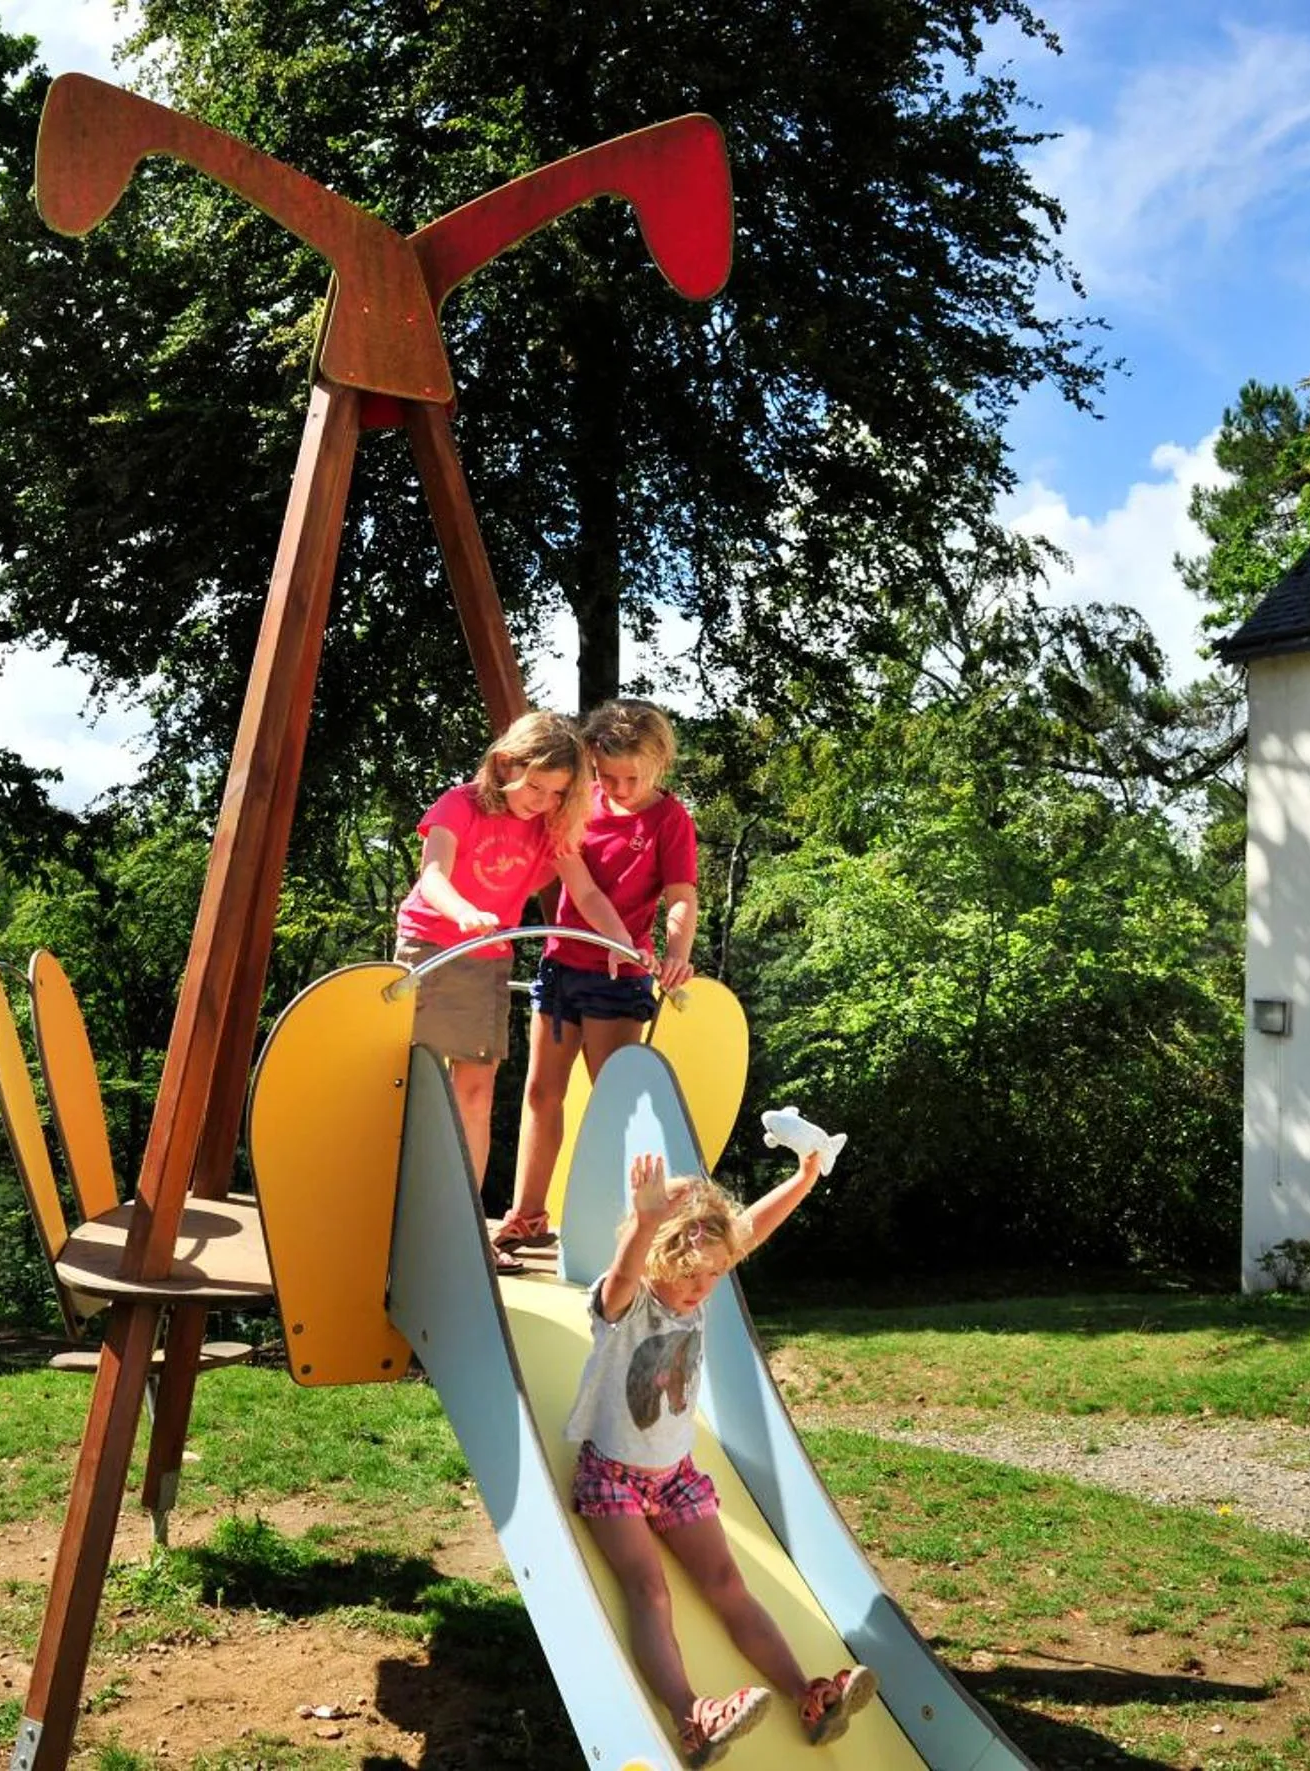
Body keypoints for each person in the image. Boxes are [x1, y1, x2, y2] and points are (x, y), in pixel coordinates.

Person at [564, 1147, 875, 1764]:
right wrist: (648, 1221)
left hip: (675, 1476)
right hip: (614, 1479)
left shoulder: (700, 1287)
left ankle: (805, 1696)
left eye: (711, 1274)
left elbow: (748, 1230)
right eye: (688, 1274)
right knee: (650, 1589)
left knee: (727, 1583)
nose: (700, 1287)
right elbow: (626, 1275)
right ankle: (692, 1719)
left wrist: (803, 1179)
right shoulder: (625, 1305)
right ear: (658, 1256)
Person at [393, 710, 641, 1192]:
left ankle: (460, 1218)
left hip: (487, 957)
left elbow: (586, 894)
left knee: (476, 1089)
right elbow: (433, 877)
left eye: (556, 794)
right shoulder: (460, 805)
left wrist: (621, 941)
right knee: (411, 1082)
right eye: (536, 788)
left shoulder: (550, 824)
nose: (544, 801)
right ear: (506, 763)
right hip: (430, 948)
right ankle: (396, 1197)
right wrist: (463, 911)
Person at [498, 699, 700, 1256]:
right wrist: (610, 939)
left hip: (620, 980)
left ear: (658, 762)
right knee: (541, 1093)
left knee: (610, 1102)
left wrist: (674, 951)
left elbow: (682, 897)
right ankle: (526, 1217)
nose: (619, 787)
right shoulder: (575, 807)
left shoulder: (670, 820)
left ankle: (608, 1230)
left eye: (631, 777)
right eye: (606, 775)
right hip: (565, 966)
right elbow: (580, 890)